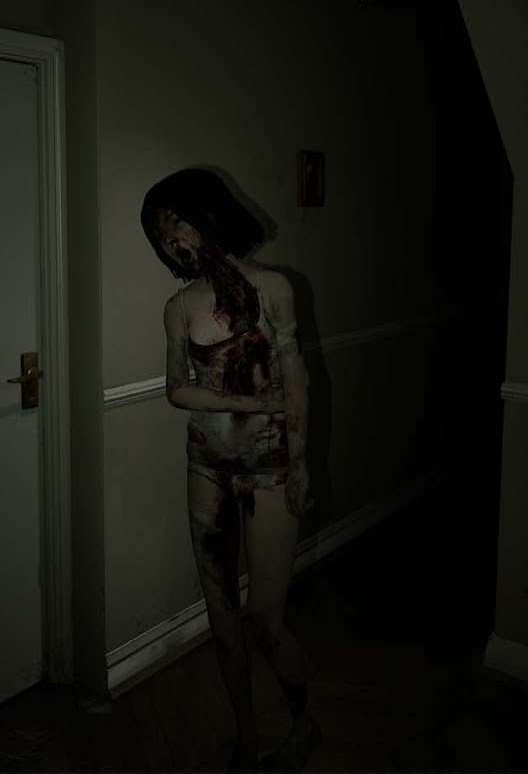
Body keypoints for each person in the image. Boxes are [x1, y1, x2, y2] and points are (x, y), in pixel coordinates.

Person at [141, 168, 322, 773]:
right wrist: (250, 401)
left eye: (177, 222)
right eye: (161, 235)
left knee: (264, 619)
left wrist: (299, 461)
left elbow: (297, 381)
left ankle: (303, 725)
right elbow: (177, 389)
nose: (173, 240)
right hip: (207, 469)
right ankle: (245, 734)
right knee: (222, 620)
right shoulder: (177, 308)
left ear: (209, 214)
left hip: (271, 469)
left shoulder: (274, 288)